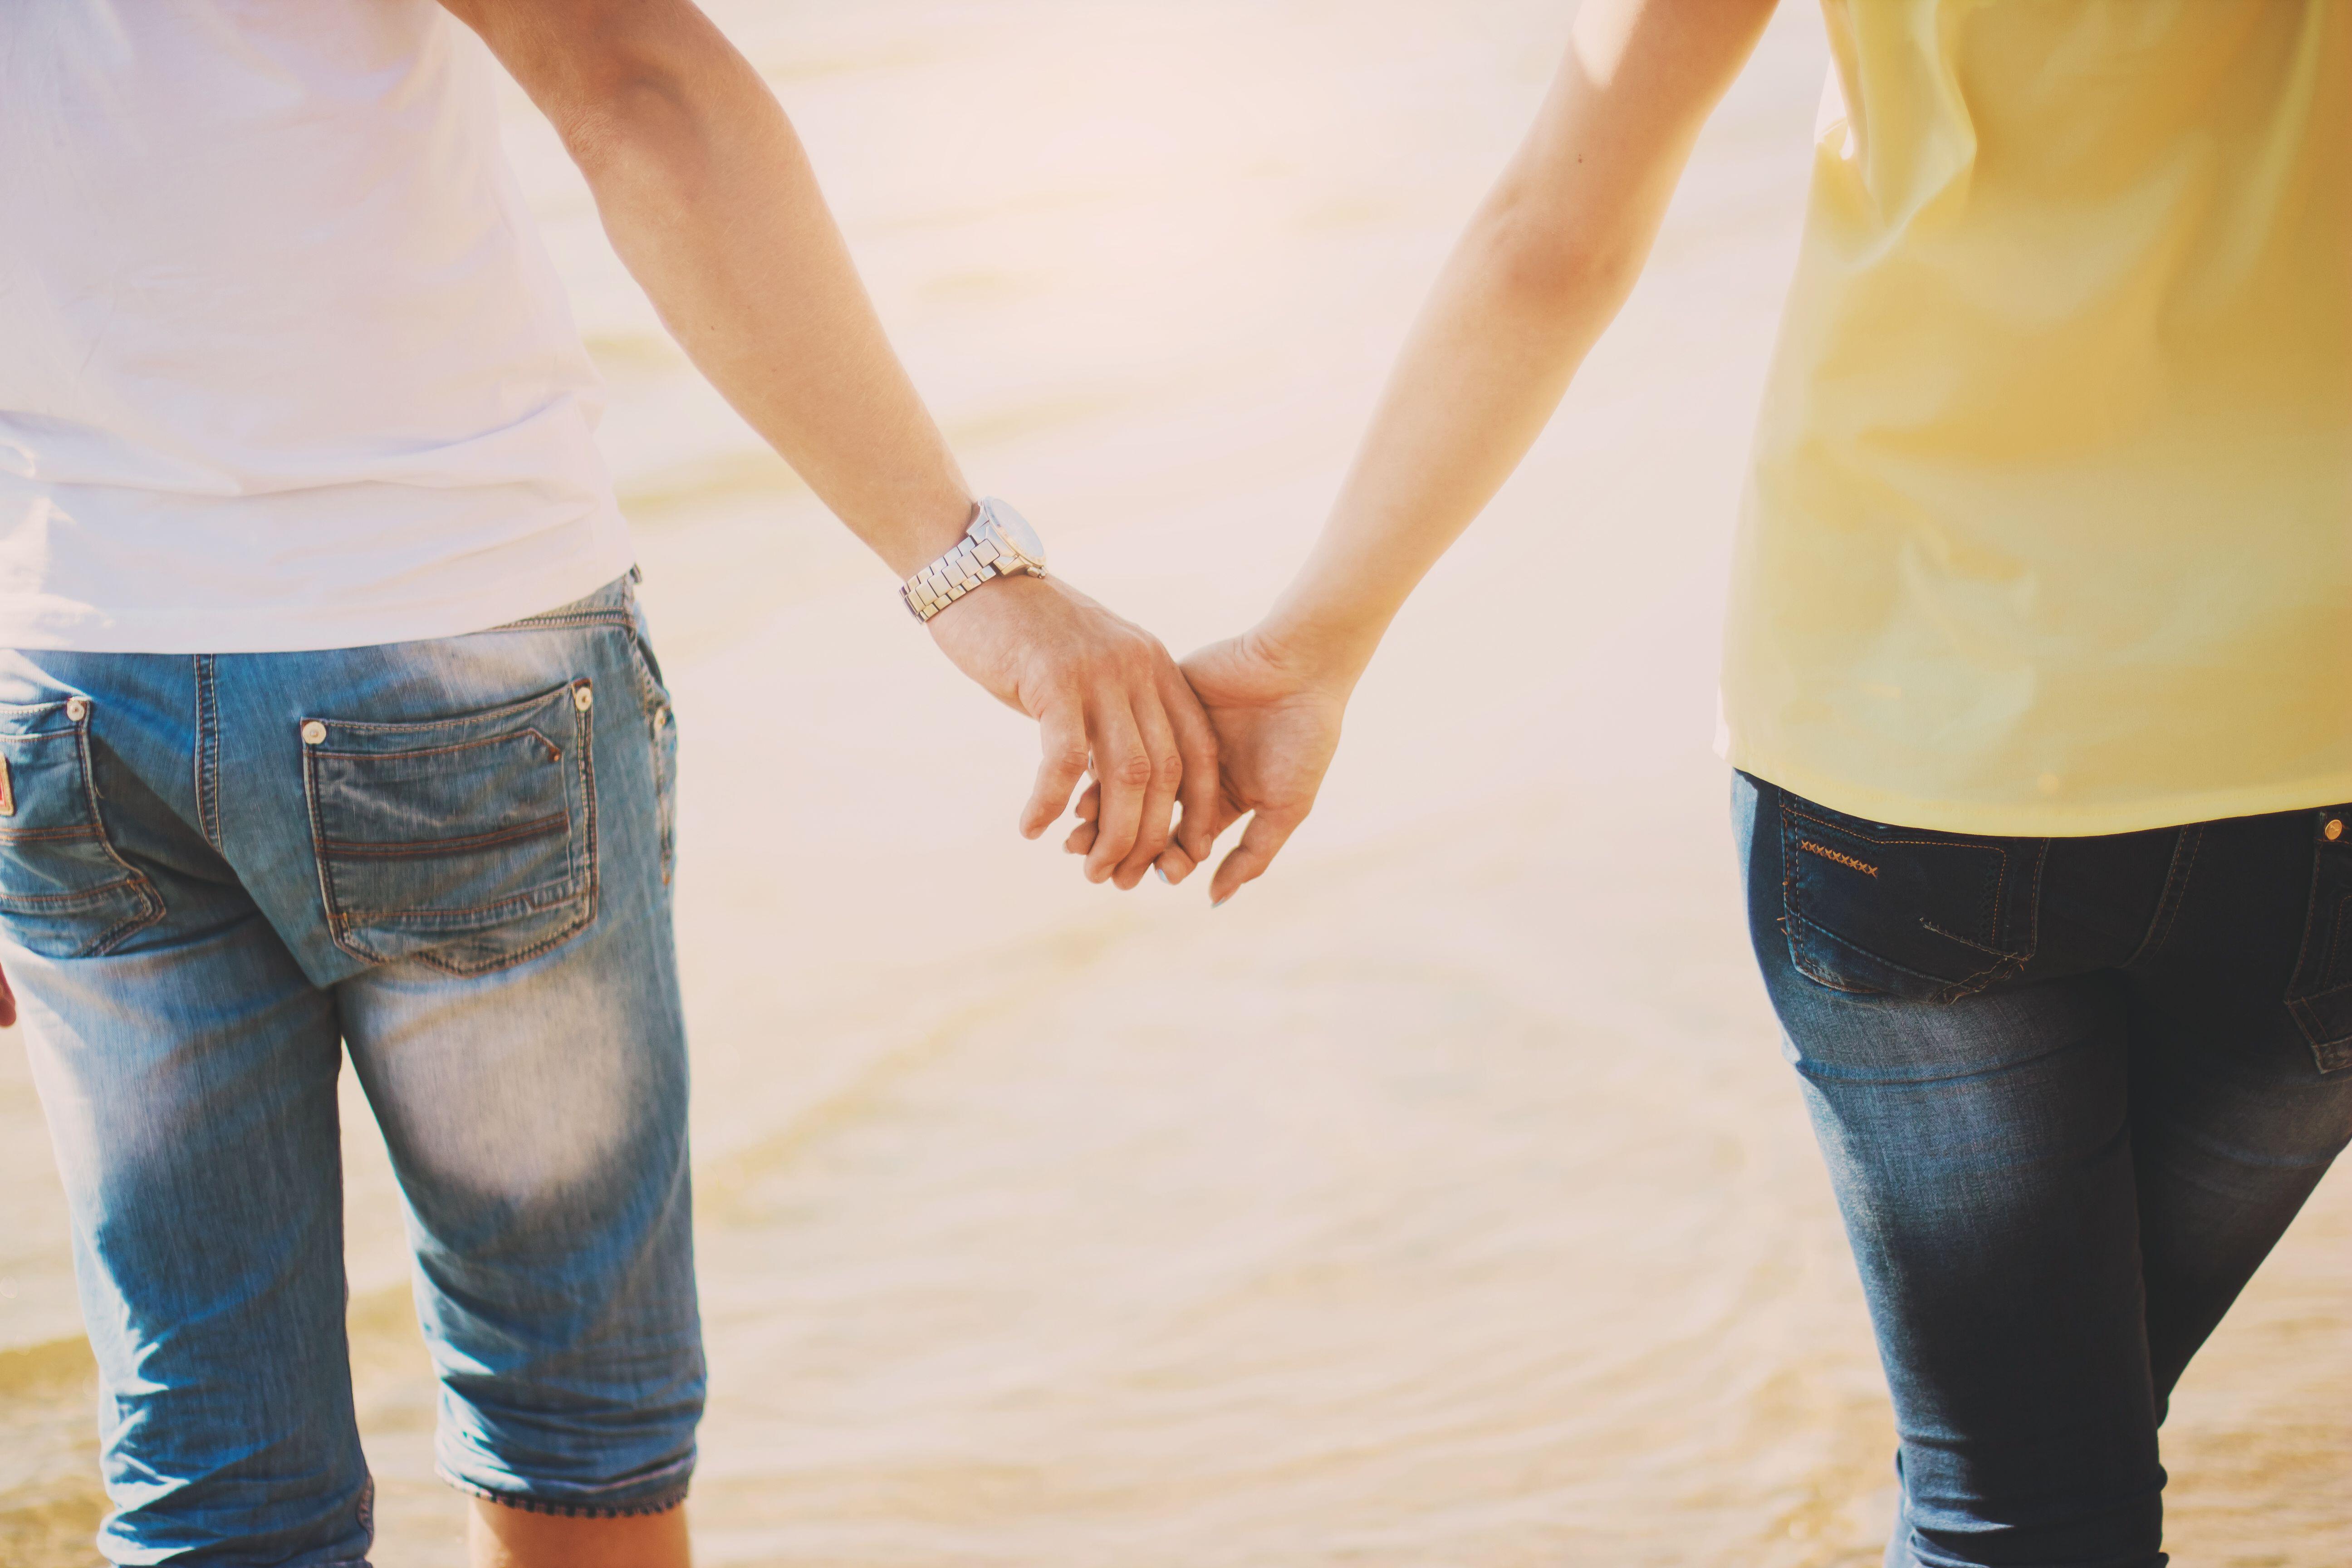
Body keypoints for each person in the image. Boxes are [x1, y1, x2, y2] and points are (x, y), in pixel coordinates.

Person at [1, 1, 1217, 1563]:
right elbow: (636, 82)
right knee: (570, 1429)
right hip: (448, 660)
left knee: (206, 1469)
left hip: (65, 689)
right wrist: (969, 571)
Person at [1151, 0, 2352, 1562]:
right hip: (2313, 733)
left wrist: (1321, 641)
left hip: (1911, 746)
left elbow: (1554, 234)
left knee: (2029, 1484)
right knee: (2057, 1446)